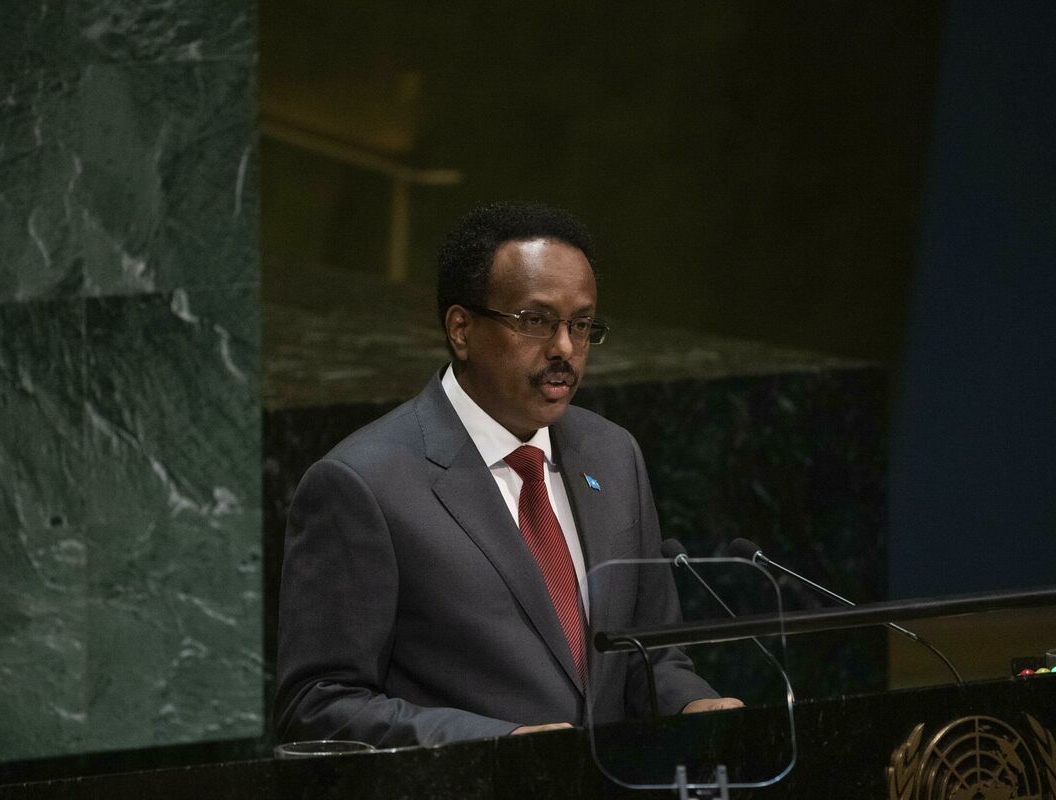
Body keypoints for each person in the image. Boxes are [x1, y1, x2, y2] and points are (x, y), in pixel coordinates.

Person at [275, 201, 741, 747]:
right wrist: (501, 743)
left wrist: (691, 703)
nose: (565, 348)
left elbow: (651, 654)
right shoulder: (363, 484)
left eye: (581, 325)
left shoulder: (613, 455)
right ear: (462, 329)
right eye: (536, 321)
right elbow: (319, 705)